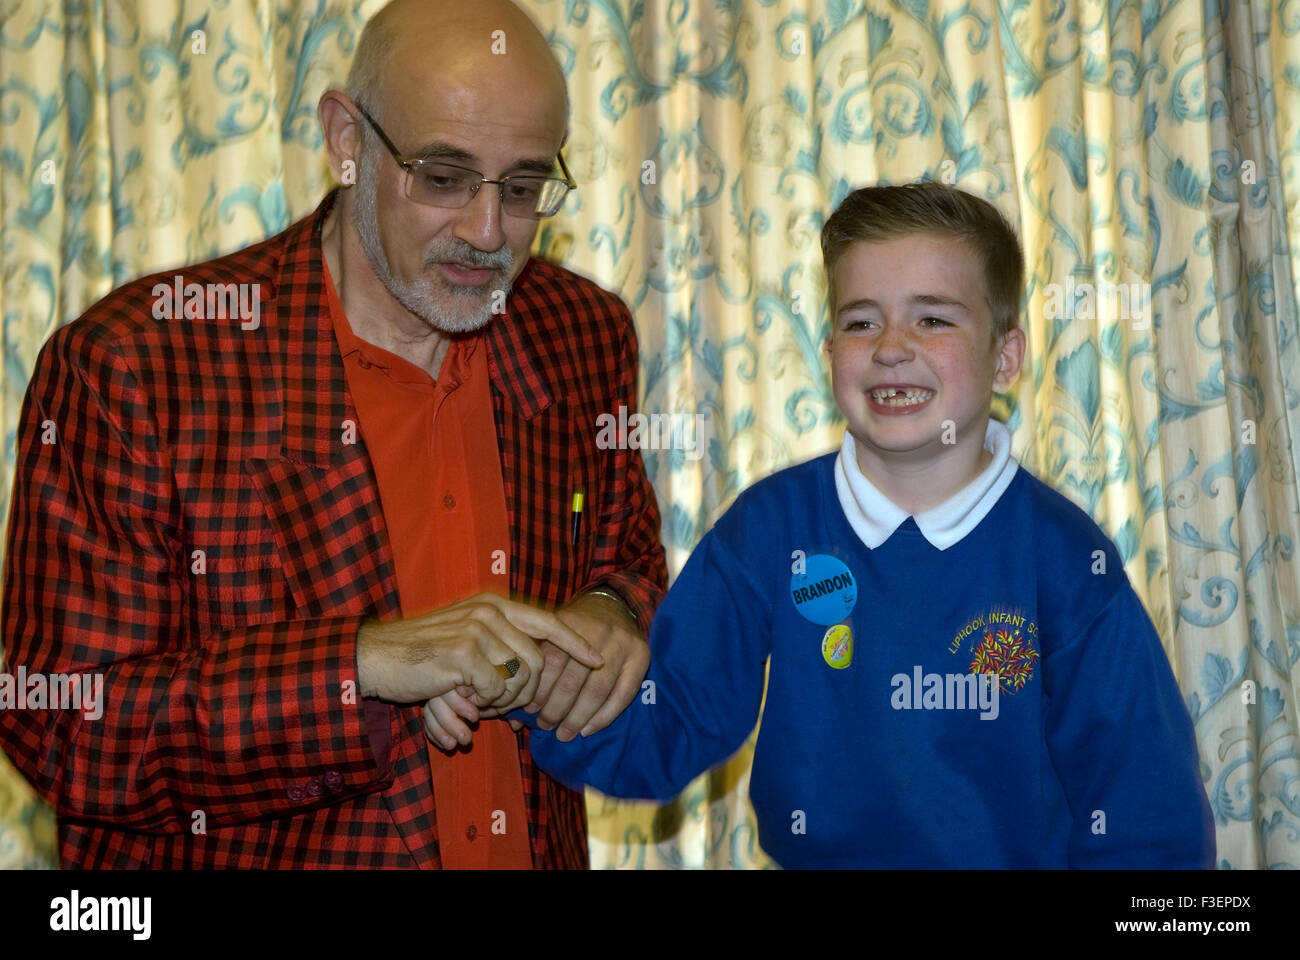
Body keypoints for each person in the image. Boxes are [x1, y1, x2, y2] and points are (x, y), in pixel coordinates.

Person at [0, 0, 667, 869]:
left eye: (524, 186)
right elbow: (61, 724)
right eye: (443, 175)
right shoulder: (135, 367)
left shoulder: (579, 332)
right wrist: (363, 664)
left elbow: (629, 561)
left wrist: (611, 617)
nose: (488, 231)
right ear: (345, 139)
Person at [521, 182, 1217, 869]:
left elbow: (1146, 816)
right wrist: (532, 682)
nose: (890, 346)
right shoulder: (768, 530)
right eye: (860, 321)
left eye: (932, 319)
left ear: (1006, 357)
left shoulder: (1066, 560)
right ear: (829, 356)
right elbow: (665, 725)